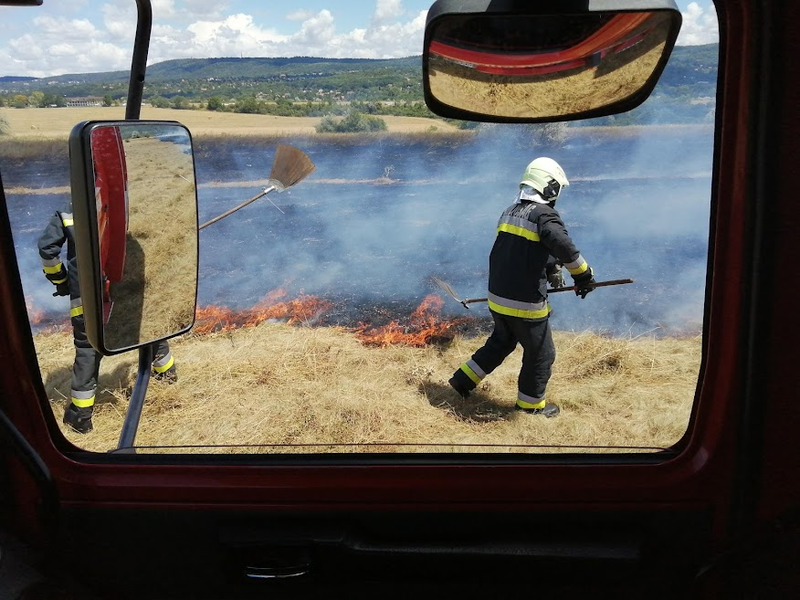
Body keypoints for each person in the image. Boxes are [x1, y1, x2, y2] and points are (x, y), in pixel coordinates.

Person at [448, 157, 595, 417]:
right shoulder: (545, 216)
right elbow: (563, 246)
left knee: (501, 342)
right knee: (541, 354)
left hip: (498, 296)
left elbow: (523, 250)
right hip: (524, 302)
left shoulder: (509, 212)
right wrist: (583, 275)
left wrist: (551, 267)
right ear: (549, 187)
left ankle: (462, 380)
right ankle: (530, 407)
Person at [38, 206, 177, 434]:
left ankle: (81, 417)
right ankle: (167, 375)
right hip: (129, 292)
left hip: (88, 299)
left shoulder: (69, 211)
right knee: (149, 329)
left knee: (87, 350)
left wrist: (61, 280)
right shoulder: (131, 202)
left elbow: (46, 249)